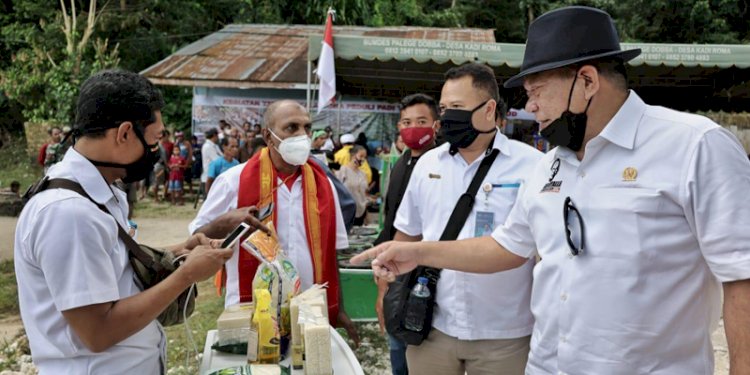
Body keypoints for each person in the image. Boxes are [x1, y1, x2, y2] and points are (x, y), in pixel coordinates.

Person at [353, 6, 750, 375]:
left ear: (588, 80)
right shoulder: (549, 165)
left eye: (538, 90)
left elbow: (742, 275)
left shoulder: (694, 147)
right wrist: (417, 251)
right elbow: (507, 247)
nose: (531, 106)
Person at [13, 69, 240, 374]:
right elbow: (98, 331)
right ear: (123, 133)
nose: (155, 152)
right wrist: (186, 275)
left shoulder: (99, 190)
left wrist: (183, 248)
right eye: (154, 140)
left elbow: (110, 263)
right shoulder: (69, 213)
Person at [375, 63, 543, 375]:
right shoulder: (427, 165)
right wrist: (385, 291)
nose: (447, 116)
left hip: (505, 333)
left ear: (489, 109)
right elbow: (407, 235)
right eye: (443, 108)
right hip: (432, 324)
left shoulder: (532, 166)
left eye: (457, 107)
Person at [189, 99, 360, 345]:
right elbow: (196, 238)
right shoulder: (233, 182)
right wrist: (226, 221)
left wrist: (338, 307)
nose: (303, 135)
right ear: (268, 136)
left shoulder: (325, 186)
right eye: (292, 128)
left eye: (307, 128)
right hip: (251, 311)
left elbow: (330, 255)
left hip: (309, 311)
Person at [371, 93, 441, 375]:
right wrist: (382, 284)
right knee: (397, 346)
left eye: (421, 121)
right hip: (395, 272)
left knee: (424, 349)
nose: (413, 128)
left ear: (436, 125)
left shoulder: (441, 163)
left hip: (427, 273)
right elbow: (390, 222)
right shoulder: (401, 164)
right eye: (406, 122)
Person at [335, 145, 369, 226]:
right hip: (347, 212)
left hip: (361, 211)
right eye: (361, 156)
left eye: (365, 157)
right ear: (353, 156)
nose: (363, 159)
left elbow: (364, 194)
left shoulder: (363, 174)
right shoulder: (343, 171)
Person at [200, 127, 222, 197]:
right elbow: (217, 160)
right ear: (214, 136)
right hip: (208, 177)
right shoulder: (207, 146)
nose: (218, 138)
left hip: (215, 176)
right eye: (217, 136)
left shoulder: (215, 146)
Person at [175, 131, 194, 196]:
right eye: (178, 137)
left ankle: (191, 191)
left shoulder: (187, 143)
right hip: (179, 164)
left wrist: (187, 163)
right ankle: (182, 191)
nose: (179, 138)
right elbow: (175, 152)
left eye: (180, 136)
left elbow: (190, 153)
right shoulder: (177, 144)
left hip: (186, 163)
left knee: (188, 178)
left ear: (183, 137)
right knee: (180, 178)